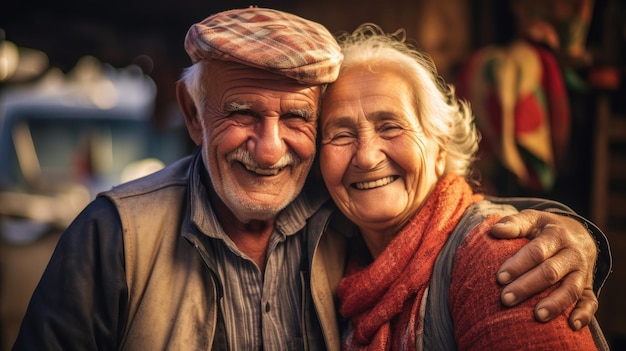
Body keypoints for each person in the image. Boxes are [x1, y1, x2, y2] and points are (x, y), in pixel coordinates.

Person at [11, 7, 609, 351]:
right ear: (194, 115)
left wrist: (571, 234)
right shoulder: (115, 235)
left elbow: (447, 221)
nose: (270, 150)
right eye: (242, 113)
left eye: (297, 118)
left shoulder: (342, 211)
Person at [315, 23, 608, 349]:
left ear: (440, 147)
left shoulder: (501, 258)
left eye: (390, 127)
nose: (367, 157)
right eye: (340, 134)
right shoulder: (335, 253)